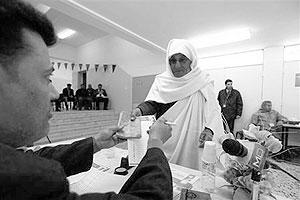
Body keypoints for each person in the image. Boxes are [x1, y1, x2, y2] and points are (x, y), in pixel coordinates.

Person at [0, 1, 173, 199]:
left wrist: (95, 144)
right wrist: (156, 143)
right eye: (47, 78)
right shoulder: (29, 182)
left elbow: (28, 157)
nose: (55, 94)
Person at [131, 39, 225, 170]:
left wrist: (210, 129)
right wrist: (140, 110)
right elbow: (153, 103)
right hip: (166, 137)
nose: (177, 65)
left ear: (191, 61)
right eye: (173, 60)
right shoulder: (161, 81)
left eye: (182, 60)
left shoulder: (203, 81)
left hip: (193, 137)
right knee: (164, 170)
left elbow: (213, 110)